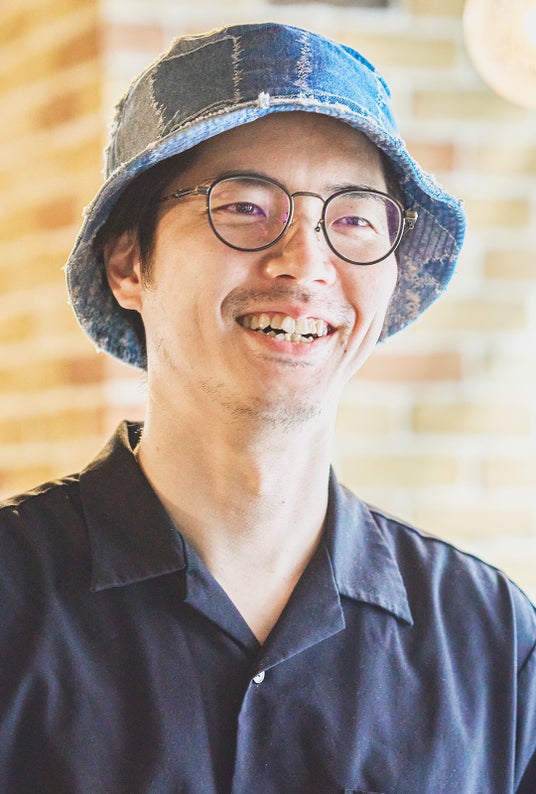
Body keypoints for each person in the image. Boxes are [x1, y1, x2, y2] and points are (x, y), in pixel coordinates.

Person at [0, 21, 534, 794]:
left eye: (352, 219)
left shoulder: (492, 641)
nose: (305, 264)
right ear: (128, 262)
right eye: (245, 207)